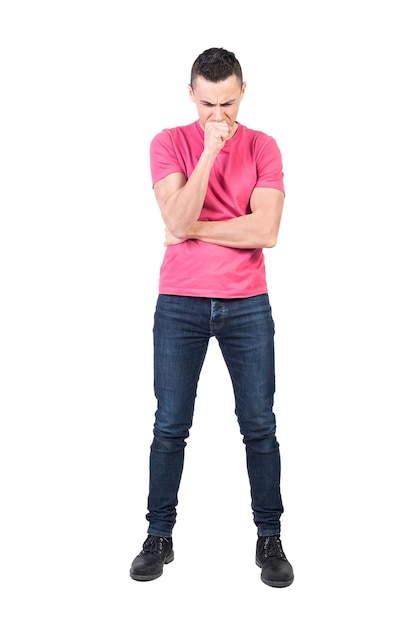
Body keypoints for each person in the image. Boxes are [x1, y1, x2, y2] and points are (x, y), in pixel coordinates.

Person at [130, 47, 294, 588]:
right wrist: (205, 153)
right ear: (191, 95)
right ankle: (159, 535)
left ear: (242, 92)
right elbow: (174, 212)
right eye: (207, 104)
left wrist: (192, 229)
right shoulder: (169, 142)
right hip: (180, 303)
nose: (218, 115)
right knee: (170, 426)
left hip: (248, 303)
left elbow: (264, 232)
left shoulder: (264, 146)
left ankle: (269, 538)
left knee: (260, 426)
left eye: (227, 102)